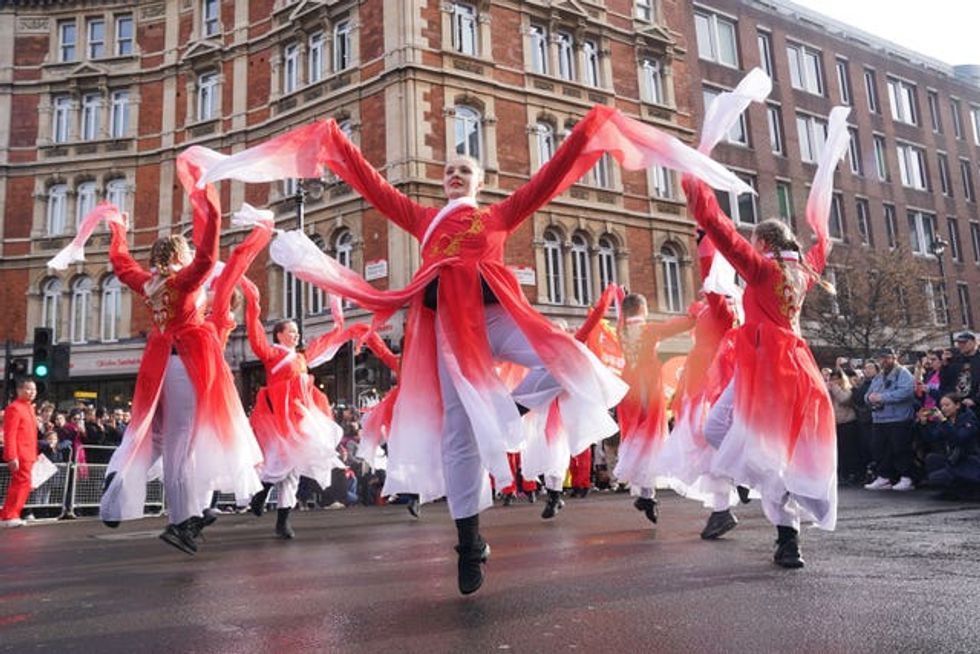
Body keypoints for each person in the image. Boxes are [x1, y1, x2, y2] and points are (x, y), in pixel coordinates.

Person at [97, 164, 263, 555]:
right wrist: (209, 204)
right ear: (180, 256)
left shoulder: (149, 282)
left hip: (158, 363)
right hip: (184, 363)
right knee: (180, 445)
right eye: (187, 251)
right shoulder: (184, 281)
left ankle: (121, 486)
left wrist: (119, 230)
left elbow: (121, 264)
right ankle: (179, 522)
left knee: (157, 438)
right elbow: (207, 256)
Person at [683, 175, 838, 569]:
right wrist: (821, 225)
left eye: (754, 242)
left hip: (764, 369)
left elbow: (722, 232)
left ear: (764, 244)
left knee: (746, 443)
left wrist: (696, 187)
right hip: (794, 367)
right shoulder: (805, 269)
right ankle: (776, 516)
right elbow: (823, 246)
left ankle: (788, 537)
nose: (751, 247)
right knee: (742, 439)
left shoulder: (761, 269)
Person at [614, 293, 697, 526]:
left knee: (635, 433)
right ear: (641, 308)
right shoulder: (648, 329)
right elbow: (676, 326)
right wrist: (696, 315)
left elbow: (623, 317)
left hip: (628, 383)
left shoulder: (620, 329)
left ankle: (645, 494)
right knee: (650, 435)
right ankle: (647, 496)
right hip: (647, 384)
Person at [863, 348, 918, 492]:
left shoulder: (903, 373)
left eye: (887, 358)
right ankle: (884, 477)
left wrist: (882, 397)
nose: (883, 361)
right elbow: (868, 393)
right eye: (881, 358)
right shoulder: (879, 376)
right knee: (879, 449)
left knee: (900, 448)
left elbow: (906, 392)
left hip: (898, 418)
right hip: (880, 419)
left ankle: (907, 477)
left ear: (894, 358)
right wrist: (869, 398)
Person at [920, 394, 980, 495]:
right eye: (942, 406)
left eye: (947, 405)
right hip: (952, 459)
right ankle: (950, 490)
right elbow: (932, 438)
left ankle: (966, 490)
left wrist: (943, 421)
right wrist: (924, 424)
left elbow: (958, 438)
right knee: (932, 459)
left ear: (957, 405)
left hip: (968, 459)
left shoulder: (969, 419)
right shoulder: (946, 421)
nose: (943, 408)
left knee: (938, 477)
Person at [1, 379, 38, 527]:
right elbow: (10, 434)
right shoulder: (14, 408)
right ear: (19, 390)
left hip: (28, 453)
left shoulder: (29, 408)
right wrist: (12, 456)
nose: (32, 392)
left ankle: (7, 515)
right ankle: (10, 515)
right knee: (21, 484)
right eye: (28, 389)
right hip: (21, 453)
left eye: (34, 390)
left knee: (23, 484)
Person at [828, 368, 862, 485]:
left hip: (848, 423)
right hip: (834, 424)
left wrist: (835, 387)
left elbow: (843, 399)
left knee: (849, 451)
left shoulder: (848, 389)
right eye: (832, 379)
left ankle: (853, 474)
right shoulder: (830, 390)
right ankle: (841, 474)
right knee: (838, 451)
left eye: (836, 379)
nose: (834, 381)